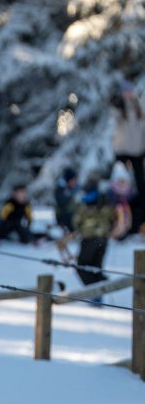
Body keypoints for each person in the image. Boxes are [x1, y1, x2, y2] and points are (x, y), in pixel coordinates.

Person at [73, 174, 118, 293]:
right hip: (103, 239)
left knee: (82, 267)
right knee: (96, 268)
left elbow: (76, 222)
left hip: (90, 240)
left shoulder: (85, 203)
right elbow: (113, 218)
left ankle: (96, 293)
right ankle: (100, 293)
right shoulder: (106, 201)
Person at [110, 82, 145, 230]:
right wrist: (115, 102)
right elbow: (113, 113)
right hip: (122, 151)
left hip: (138, 150)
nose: (128, 94)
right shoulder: (120, 106)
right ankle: (119, 217)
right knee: (120, 185)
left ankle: (141, 216)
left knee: (141, 184)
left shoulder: (139, 106)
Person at [54, 168, 80, 234]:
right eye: (73, 180)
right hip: (64, 217)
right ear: (68, 180)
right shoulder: (60, 190)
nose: (75, 182)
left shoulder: (75, 189)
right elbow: (62, 203)